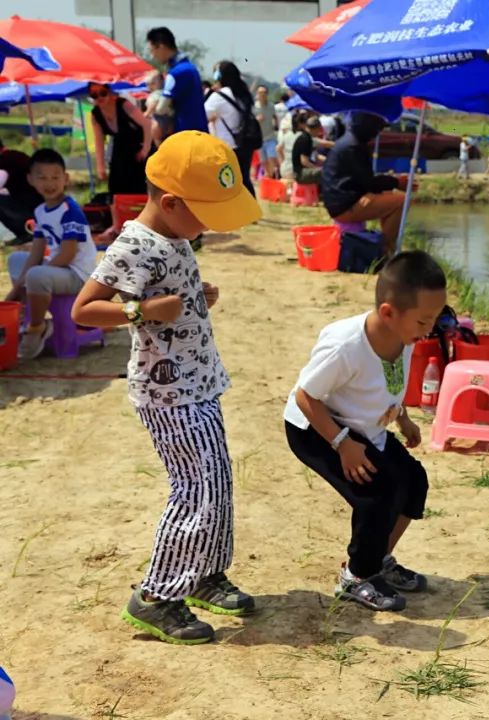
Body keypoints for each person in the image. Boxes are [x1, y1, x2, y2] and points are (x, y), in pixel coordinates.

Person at [71, 131, 262, 645]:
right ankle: (156, 595)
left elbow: (171, 296)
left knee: (217, 480)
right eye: (207, 214)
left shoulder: (176, 236)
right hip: (168, 393)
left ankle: (203, 573)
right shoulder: (134, 244)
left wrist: (198, 296)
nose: (211, 227)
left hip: (199, 380)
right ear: (172, 202)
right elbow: (84, 310)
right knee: (195, 488)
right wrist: (144, 310)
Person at [284, 251, 446, 611]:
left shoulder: (405, 336)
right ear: (389, 313)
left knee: (412, 480)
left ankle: (377, 560)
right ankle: (356, 578)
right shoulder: (346, 346)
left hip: (363, 425)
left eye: (433, 319)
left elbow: (388, 383)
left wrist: (402, 418)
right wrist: (342, 445)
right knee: (376, 493)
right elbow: (306, 396)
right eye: (423, 321)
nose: (429, 330)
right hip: (316, 427)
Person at [4, 150, 98, 360]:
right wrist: (16, 290)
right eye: (42, 177)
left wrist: (33, 276)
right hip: (59, 271)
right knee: (16, 260)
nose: (49, 183)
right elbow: (36, 252)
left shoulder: (70, 210)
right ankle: (23, 311)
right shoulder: (40, 211)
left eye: (55, 177)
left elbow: (68, 254)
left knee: (36, 275)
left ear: (65, 179)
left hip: (78, 275)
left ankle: (37, 327)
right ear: (30, 180)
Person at [320, 112, 411, 259]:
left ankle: (383, 245)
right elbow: (370, 182)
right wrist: (397, 182)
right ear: (367, 127)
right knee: (402, 202)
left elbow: (364, 181)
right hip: (343, 206)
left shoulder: (349, 142)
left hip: (342, 200)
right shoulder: (353, 147)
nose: (377, 133)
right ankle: (384, 250)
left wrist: (371, 192)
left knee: (389, 198)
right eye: (377, 128)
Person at [88, 83, 152, 196]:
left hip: (139, 146)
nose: (99, 98)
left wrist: (145, 149)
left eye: (103, 93)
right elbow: (99, 142)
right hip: (120, 148)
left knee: (141, 186)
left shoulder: (123, 104)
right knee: (116, 186)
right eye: (94, 95)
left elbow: (147, 125)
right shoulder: (95, 114)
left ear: (109, 92)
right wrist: (100, 166)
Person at [204, 61, 257, 195]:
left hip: (225, 145)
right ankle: (249, 210)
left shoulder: (219, 96)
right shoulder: (243, 93)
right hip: (244, 143)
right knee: (244, 179)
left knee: (225, 181)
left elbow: (203, 114)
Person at [145, 27, 208, 136]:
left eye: (152, 50)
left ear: (161, 46)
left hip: (185, 136)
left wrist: (152, 105)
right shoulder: (191, 68)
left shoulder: (176, 73)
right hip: (200, 132)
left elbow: (161, 109)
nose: (152, 55)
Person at [0, 139, 42, 246]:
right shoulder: (16, 155)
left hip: (33, 207)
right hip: (42, 203)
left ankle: (25, 232)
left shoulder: (4, 162)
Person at [254, 85, 279, 180]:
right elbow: (250, 121)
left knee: (272, 157)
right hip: (259, 138)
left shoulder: (271, 106)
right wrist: (257, 120)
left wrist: (276, 125)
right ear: (257, 94)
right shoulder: (254, 107)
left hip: (271, 136)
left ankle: (272, 175)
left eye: (264, 93)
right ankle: (268, 176)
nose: (262, 95)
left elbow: (275, 116)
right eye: (260, 93)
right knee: (263, 161)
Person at [292, 115, 326, 186]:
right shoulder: (306, 139)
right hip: (300, 174)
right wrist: (317, 168)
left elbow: (316, 157)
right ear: (315, 129)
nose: (319, 132)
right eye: (319, 130)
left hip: (299, 172)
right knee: (326, 173)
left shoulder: (306, 137)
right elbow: (304, 161)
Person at [143, 71, 173, 147]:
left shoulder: (156, 93)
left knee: (157, 139)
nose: (150, 86)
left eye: (153, 83)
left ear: (162, 82)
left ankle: (159, 150)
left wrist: (147, 113)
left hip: (158, 120)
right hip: (170, 119)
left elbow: (153, 104)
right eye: (148, 84)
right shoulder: (165, 93)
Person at [277, 111, 303, 182]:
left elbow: (278, 148)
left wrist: (282, 162)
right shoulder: (303, 136)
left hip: (284, 169)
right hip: (296, 171)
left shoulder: (286, 135)